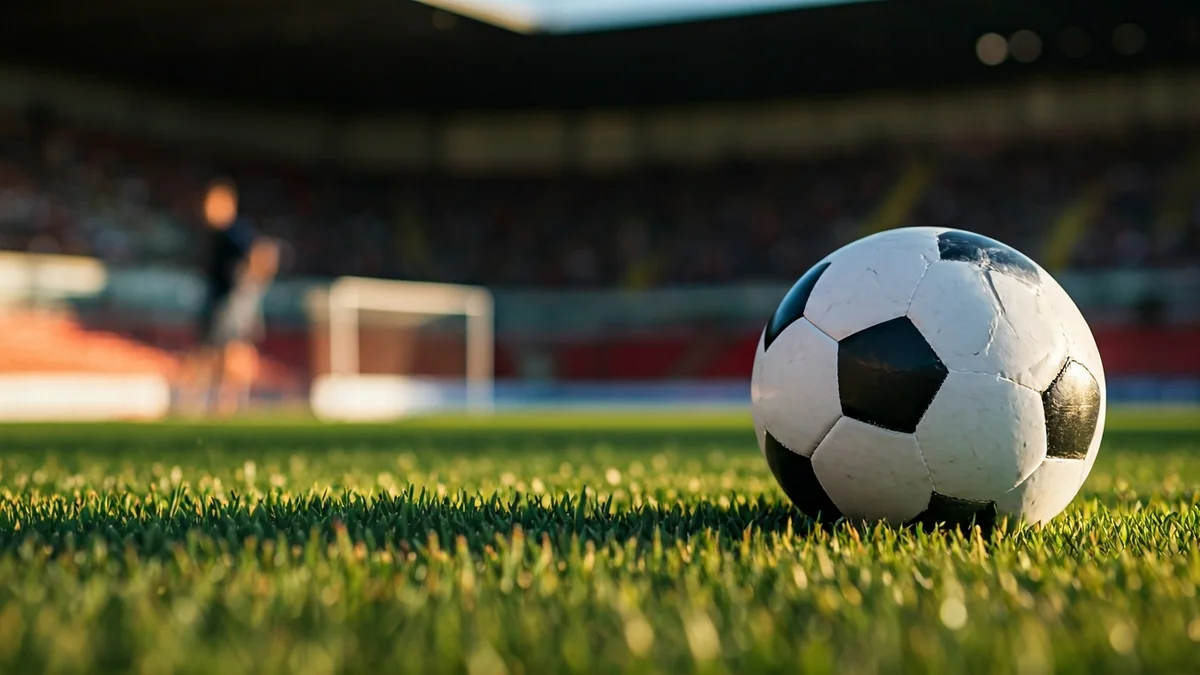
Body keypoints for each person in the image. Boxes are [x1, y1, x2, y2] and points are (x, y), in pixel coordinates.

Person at [182, 179, 278, 416]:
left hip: (230, 303)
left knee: (232, 351)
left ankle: (227, 404)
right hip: (216, 300)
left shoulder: (235, 232)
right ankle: (196, 403)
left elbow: (264, 253)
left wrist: (249, 287)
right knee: (208, 351)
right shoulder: (214, 234)